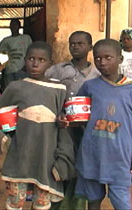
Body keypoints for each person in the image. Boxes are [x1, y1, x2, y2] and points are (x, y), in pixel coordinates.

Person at [0, 41, 75, 210]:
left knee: (42, 203)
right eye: (31, 59)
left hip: (46, 156)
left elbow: (63, 117)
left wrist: (61, 121)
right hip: (20, 153)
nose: (35, 63)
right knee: (15, 202)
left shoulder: (59, 89)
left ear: (50, 63)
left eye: (41, 60)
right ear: (24, 60)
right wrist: (6, 138)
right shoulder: (16, 87)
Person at [46, 31, 100, 210]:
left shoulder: (97, 73)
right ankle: (57, 202)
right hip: (62, 126)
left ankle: (76, 203)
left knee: (82, 164)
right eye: (72, 44)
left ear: (90, 47)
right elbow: (47, 93)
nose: (75, 47)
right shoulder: (58, 69)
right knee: (62, 162)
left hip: (88, 128)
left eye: (80, 44)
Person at [75, 39, 132, 210]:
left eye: (108, 57)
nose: (102, 62)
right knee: (93, 200)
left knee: (121, 200)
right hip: (93, 152)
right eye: (98, 58)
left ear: (120, 59)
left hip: (120, 155)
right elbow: (76, 116)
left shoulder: (129, 88)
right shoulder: (89, 86)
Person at [0, 19, 32, 90]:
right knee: (10, 91)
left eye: (15, 25)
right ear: (9, 27)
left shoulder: (26, 38)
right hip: (10, 69)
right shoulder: (6, 40)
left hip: (22, 69)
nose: (13, 27)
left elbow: (31, 52)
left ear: (19, 26)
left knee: (23, 91)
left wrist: (27, 65)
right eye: (12, 25)